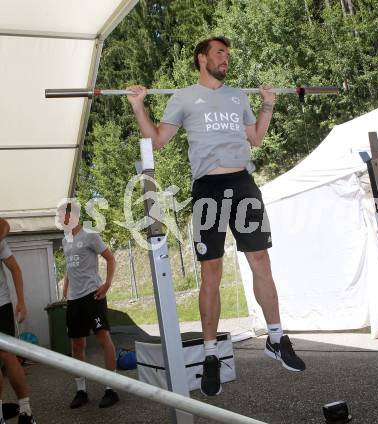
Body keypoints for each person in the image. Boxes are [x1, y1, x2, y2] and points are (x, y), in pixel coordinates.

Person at [127, 36, 306, 396]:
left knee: (261, 261)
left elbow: (255, 138)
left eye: (227, 54)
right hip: (207, 187)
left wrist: (267, 105)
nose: (225, 59)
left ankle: (276, 337)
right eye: (219, 53)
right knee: (212, 269)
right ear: (202, 58)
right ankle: (210, 354)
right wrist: (137, 106)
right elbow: (157, 141)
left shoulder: (237, 95)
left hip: (243, 182)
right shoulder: (183, 97)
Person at [60, 202, 119, 409]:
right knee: (77, 345)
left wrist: (107, 284)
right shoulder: (65, 239)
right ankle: (81, 391)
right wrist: (65, 289)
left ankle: (111, 389)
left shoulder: (90, 235)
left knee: (104, 338)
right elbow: (69, 266)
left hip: (93, 295)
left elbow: (110, 259)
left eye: (63, 216)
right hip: (74, 300)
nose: (61, 220)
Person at [0, 219, 37, 423]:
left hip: (1, 305)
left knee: (7, 355)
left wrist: (21, 301)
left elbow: (4, 224)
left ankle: (26, 411)